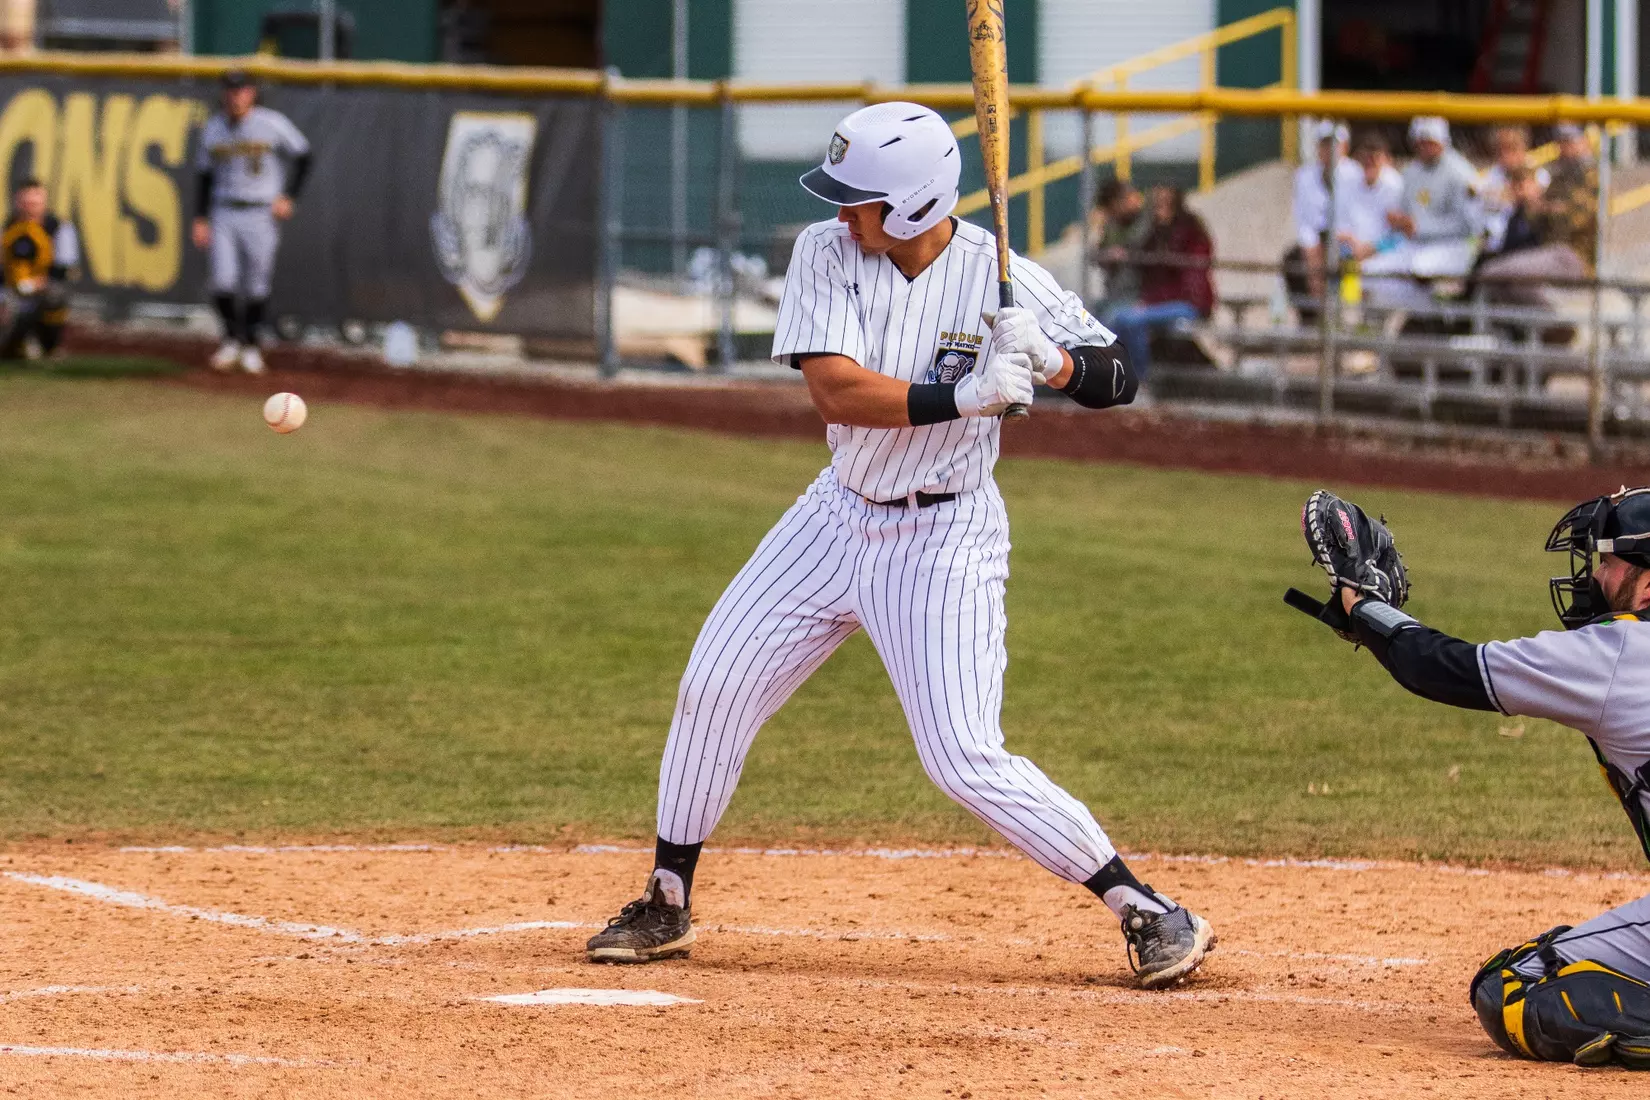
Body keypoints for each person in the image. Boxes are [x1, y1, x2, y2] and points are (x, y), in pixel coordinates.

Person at [584, 102, 1216, 990]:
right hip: (835, 511)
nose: (843, 214)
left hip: (943, 535)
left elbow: (1122, 378)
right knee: (713, 684)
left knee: (961, 755)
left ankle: (1147, 910)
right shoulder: (825, 253)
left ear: (916, 205)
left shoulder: (1002, 276)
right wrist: (970, 398)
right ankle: (665, 897)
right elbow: (837, 393)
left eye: (861, 200)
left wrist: (1053, 363)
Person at [1294, 487, 1650, 1069]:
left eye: (1608, 561)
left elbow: (1448, 669)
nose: (1594, 574)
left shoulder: (1618, 654)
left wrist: (1363, 607)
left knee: (1514, 989)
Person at [192, 69, 311, 375]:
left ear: (252, 93)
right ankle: (232, 339)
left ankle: (252, 345)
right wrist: (200, 217)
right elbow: (204, 176)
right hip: (224, 210)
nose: (235, 96)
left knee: (257, 283)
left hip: (260, 211)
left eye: (241, 90)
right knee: (222, 280)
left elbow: (303, 155)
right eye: (230, 90)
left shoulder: (270, 123)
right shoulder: (214, 127)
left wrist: (289, 196)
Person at [1360, 116, 1482, 311]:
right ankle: (1409, 323)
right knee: (1370, 271)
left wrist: (1420, 227)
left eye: (1429, 141)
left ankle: (1433, 322)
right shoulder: (1411, 171)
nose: (1424, 147)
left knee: (1422, 268)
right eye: (1420, 141)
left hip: (1452, 246)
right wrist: (1399, 221)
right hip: (1414, 244)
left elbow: (1467, 225)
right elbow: (1404, 216)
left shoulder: (1460, 173)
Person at [1105, 184, 1213, 377]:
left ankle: (1138, 381)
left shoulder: (1191, 233)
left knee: (1128, 320)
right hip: (1159, 302)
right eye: (1157, 205)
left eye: (1166, 204)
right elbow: (1147, 272)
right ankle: (1116, 377)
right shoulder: (1154, 234)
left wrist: (1149, 303)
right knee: (1113, 319)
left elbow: (1189, 283)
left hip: (1188, 303)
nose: (1161, 210)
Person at [1474, 164, 1588, 312]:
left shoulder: (1551, 199)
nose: (1518, 189)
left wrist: (1534, 204)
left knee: (1493, 272)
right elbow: (1510, 246)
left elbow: (1560, 224)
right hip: (1535, 261)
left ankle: (1556, 322)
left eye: (1523, 184)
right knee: (1501, 281)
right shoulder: (1516, 213)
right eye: (1515, 184)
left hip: (1565, 256)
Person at [0, 178, 77, 360]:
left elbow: (63, 271)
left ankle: (50, 347)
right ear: (17, 202)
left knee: (56, 296)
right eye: (25, 202)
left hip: (42, 290)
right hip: (11, 293)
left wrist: (33, 285)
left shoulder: (58, 228)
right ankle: (14, 347)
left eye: (35, 202)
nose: (30, 207)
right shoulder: (6, 229)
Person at [1284, 120, 1360, 302]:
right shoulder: (1304, 176)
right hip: (1317, 242)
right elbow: (1303, 220)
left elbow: (1358, 218)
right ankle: (1312, 314)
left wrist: (1340, 237)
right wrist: (1313, 243)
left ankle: (1348, 310)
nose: (1329, 149)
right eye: (1325, 144)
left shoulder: (1356, 174)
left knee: (1344, 259)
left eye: (1334, 144)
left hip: (1347, 242)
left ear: (1345, 147)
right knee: (1295, 260)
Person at [1479, 125, 1550, 254]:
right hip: (1495, 248)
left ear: (1524, 147)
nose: (1506, 156)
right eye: (1500, 150)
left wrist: (1526, 198)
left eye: (1511, 148)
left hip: (1531, 247)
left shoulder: (1541, 176)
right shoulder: (1488, 178)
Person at [1093, 178, 1150, 318]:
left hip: (1141, 294)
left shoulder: (1148, 220)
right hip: (1117, 294)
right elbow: (1097, 255)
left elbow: (1138, 246)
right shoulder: (1112, 225)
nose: (1135, 199)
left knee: (1112, 318)